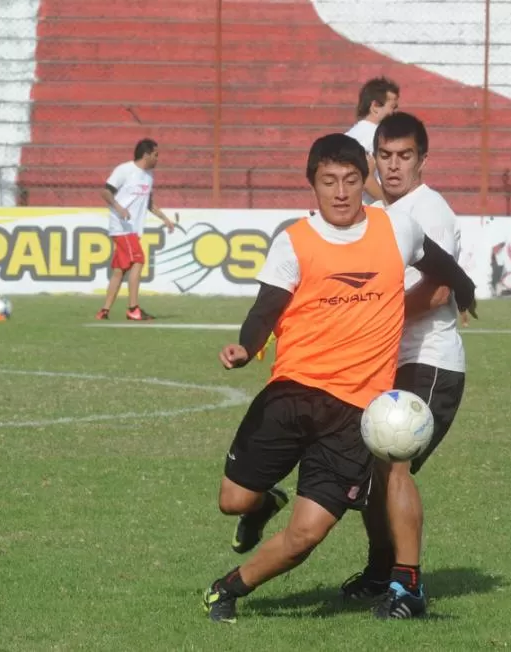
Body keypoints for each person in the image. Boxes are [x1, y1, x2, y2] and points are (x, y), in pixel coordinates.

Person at [202, 133, 477, 624]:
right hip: (290, 395)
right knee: (233, 501)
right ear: (313, 185)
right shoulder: (294, 240)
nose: (342, 192)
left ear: (362, 180)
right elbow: (266, 307)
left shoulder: (396, 228)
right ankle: (263, 504)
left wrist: (467, 290)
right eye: (329, 182)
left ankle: (226, 588)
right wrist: (246, 347)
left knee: (306, 535)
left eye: (351, 180)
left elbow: (442, 264)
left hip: (353, 414)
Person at [338, 113, 466, 619]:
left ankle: (407, 587)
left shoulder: (429, 210)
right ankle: (380, 572)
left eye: (404, 156)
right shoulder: (376, 212)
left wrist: (369, 315)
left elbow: (437, 291)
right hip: (390, 360)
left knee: (393, 462)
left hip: (430, 360)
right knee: (371, 471)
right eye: (385, 156)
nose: (393, 166)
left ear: (422, 160)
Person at [95, 138, 176, 321]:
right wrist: (119, 208)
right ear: (146, 155)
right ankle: (133, 308)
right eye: (156, 155)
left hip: (132, 229)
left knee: (119, 270)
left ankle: (104, 311)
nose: (158, 159)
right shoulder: (124, 170)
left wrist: (165, 219)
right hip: (122, 227)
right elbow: (105, 192)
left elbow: (148, 203)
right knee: (138, 260)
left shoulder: (148, 176)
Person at [345, 77, 400, 204]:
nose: (396, 113)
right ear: (375, 106)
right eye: (393, 107)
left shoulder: (350, 135)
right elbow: (365, 178)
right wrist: (389, 204)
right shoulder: (375, 137)